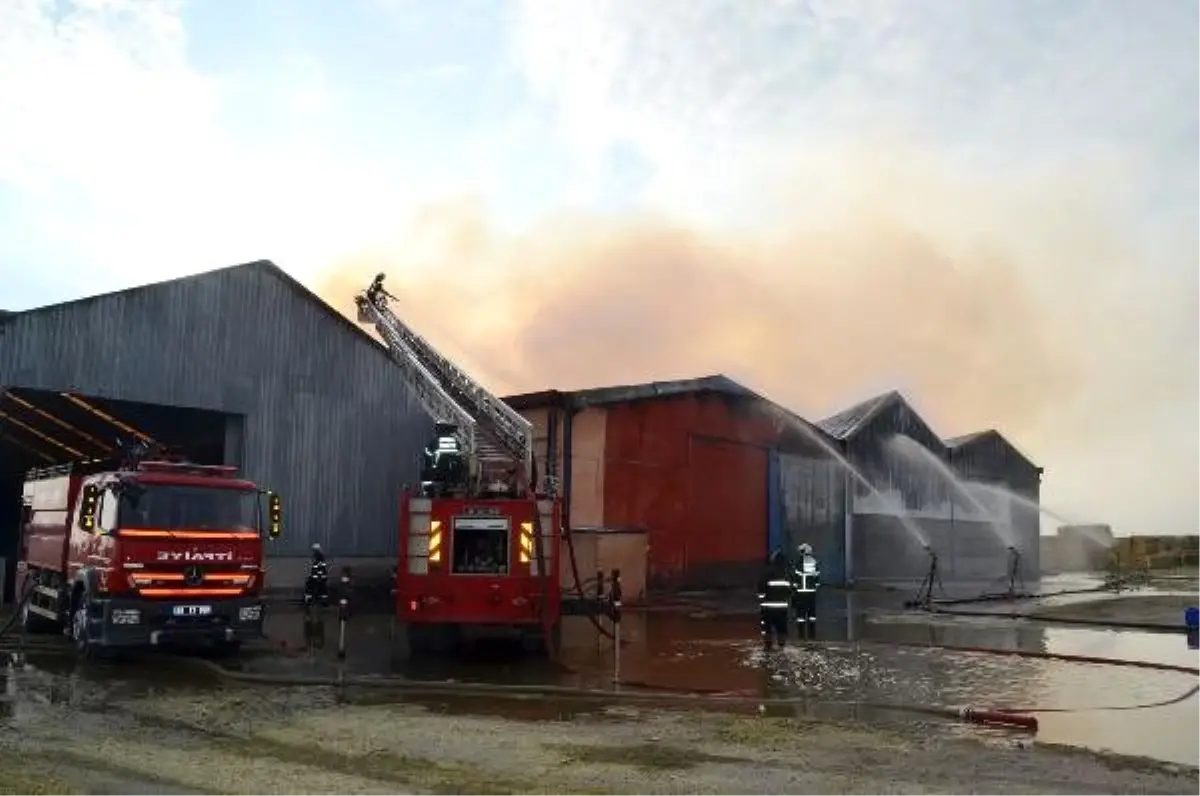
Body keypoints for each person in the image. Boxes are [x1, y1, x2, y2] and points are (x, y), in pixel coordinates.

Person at [756, 550, 793, 650]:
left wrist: (761, 599)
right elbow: (790, 591)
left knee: (767, 628)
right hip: (782, 608)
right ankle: (781, 646)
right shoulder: (786, 573)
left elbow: (761, 589)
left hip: (768, 608)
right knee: (781, 628)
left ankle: (768, 646)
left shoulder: (767, 572)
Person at [791, 542, 820, 634]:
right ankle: (812, 632)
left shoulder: (798, 562)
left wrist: (794, 589)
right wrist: (815, 586)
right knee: (812, 613)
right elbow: (817, 577)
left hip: (801, 591)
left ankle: (801, 633)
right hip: (811, 591)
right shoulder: (813, 561)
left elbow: (795, 577)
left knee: (801, 613)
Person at [305, 543, 330, 608]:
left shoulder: (318, 557)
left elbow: (318, 568)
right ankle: (324, 602)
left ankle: (308, 602)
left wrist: (317, 576)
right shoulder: (320, 557)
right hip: (321, 577)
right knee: (323, 589)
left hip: (318, 577)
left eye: (314, 550)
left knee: (309, 587)